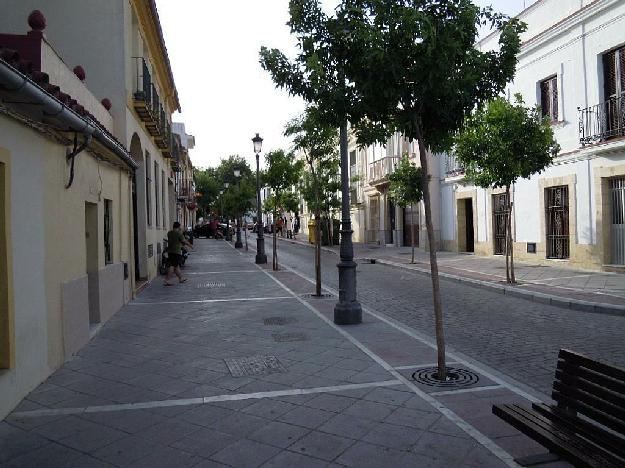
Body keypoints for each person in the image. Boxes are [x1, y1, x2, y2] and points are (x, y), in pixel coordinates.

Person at [164, 221, 193, 286]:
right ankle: (167, 280)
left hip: (170, 251)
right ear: (178, 227)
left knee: (176, 266)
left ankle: (180, 278)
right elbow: (184, 241)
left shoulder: (169, 233)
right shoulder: (179, 234)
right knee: (172, 266)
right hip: (176, 251)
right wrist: (190, 245)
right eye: (180, 226)